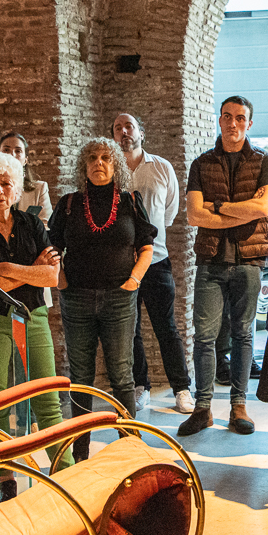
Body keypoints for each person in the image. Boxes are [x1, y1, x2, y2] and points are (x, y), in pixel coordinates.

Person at [0, 150, 74, 501]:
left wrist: (4, 269)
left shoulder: (32, 224)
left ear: (16, 187)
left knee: (48, 399)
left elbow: (52, 276)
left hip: (32, 314)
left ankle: (65, 474)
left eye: (6, 183)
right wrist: (30, 270)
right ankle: (6, 477)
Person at [51, 138, 156, 460]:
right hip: (77, 299)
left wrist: (133, 280)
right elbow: (51, 248)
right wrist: (63, 282)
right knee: (80, 377)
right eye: (93, 158)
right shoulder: (68, 203)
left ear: (116, 166)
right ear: (84, 165)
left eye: (106, 158)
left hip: (119, 299)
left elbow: (147, 245)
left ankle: (130, 448)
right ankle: (80, 452)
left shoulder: (130, 201)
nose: (99, 163)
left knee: (122, 374)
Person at [178, 97, 268, 437]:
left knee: (243, 335)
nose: (232, 123)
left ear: (249, 123)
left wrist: (217, 206)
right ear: (219, 121)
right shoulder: (202, 163)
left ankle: (239, 406)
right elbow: (193, 215)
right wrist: (239, 209)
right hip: (210, 260)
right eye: (227, 117)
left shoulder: (265, 161)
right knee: (204, 338)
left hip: (249, 260)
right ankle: (203, 408)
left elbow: (263, 208)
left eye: (240, 118)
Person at [112, 113, 194, 414]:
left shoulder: (161, 167)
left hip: (156, 260)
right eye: (118, 128)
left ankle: (182, 389)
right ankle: (140, 386)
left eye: (129, 126)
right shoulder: (110, 170)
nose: (124, 132)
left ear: (141, 132)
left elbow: (170, 211)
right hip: (121, 264)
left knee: (166, 328)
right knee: (129, 329)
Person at [0, 131, 52, 220]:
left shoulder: (40, 189)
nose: (12, 155)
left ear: (26, 160)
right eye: (6, 150)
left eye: (18, 151)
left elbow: (46, 225)